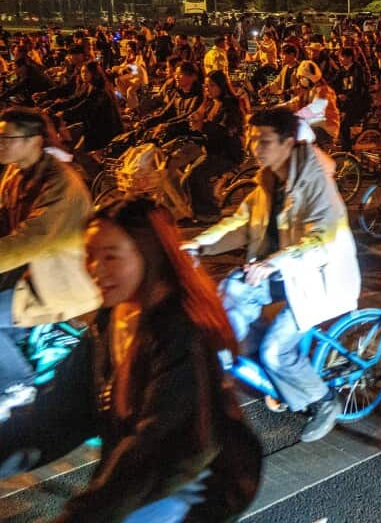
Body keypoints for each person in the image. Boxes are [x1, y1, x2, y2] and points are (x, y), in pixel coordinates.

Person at [50, 196, 262, 522]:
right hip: (140, 477)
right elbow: (62, 409)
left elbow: (157, 446)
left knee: (279, 350)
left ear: (148, 253)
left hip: (189, 486)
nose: (95, 269)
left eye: (110, 256)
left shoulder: (180, 331)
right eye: (90, 255)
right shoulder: (115, 314)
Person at [186, 107, 361, 443]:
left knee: (275, 351)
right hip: (281, 271)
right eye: (252, 139)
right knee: (229, 300)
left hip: (317, 279)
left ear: (288, 143)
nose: (255, 147)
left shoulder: (315, 185)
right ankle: (260, 374)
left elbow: (323, 240)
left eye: (264, 140)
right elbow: (240, 224)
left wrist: (273, 263)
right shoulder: (267, 181)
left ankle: (322, 400)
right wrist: (198, 245)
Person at [0, 107, 102, 419]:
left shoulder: (60, 184)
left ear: (34, 140)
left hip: (62, 282)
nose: (1, 143)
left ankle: (17, 383)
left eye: (8, 138)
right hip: (29, 275)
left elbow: (29, 240)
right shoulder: (17, 175)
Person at [183, 70, 247, 224]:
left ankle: (209, 214)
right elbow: (197, 118)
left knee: (195, 177)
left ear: (221, 86)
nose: (208, 89)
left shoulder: (230, 105)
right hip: (212, 150)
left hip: (226, 154)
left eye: (212, 85)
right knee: (186, 179)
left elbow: (224, 130)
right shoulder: (211, 103)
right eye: (206, 86)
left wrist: (203, 126)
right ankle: (196, 213)